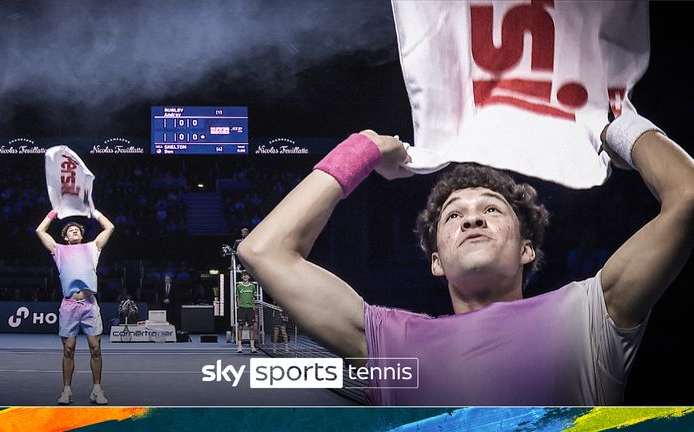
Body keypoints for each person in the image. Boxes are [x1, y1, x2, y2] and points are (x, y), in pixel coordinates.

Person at [236, 113, 694, 405]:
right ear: (436, 261)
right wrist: (367, 147)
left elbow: (688, 197)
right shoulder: (390, 341)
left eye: (492, 210)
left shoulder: (592, 312)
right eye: (455, 216)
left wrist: (618, 125)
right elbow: (263, 250)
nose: (473, 220)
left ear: (526, 249)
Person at [36, 209, 115, 405]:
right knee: (68, 350)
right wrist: (54, 212)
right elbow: (40, 231)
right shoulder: (58, 250)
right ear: (65, 236)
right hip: (69, 306)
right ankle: (66, 391)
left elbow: (110, 227)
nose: (74, 231)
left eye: (77, 229)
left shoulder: (92, 247)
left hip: (89, 305)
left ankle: (97, 390)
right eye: (70, 230)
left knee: (95, 348)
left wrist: (93, 211)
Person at [235, 270, 258, 353]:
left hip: (250, 309)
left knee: (251, 327)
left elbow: (253, 298)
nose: (245, 277)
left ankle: (252, 346)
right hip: (241, 309)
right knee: (240, 327)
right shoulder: (239, 287)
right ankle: (240, 346)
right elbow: (237, 298)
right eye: (244, 275)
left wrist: (252, 306)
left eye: (246, 275)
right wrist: (239, 306)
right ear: (242, 277)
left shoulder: (252, 287)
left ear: (249, 277)